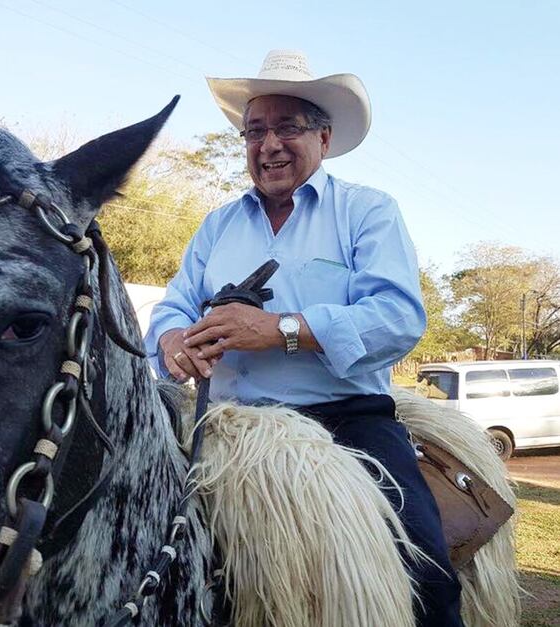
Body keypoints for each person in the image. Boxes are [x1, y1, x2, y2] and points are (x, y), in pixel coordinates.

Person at [144, 50, 462, 626]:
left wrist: (280, 330)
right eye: (256, 131)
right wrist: (171, 342)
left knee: (423, 567)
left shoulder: (367, 212)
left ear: (324, 137)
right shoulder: (217, 225)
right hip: (223, 424)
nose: (269, 145)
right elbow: (173, 306)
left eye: (287, 128)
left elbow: (396, 317)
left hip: (344, 419)